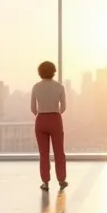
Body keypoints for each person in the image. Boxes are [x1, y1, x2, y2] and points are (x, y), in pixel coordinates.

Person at [31, 61, 68, 191]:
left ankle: (45, 182)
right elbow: (63, 107)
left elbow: (32, 108)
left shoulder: (36, 87)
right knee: (59, 151)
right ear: (54, 72)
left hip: (40, 119)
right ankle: (62, 180)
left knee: (43, 153)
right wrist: (55, 112)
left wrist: (41, 113)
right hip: (55, 119)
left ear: (40, 72)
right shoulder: (59, 87)